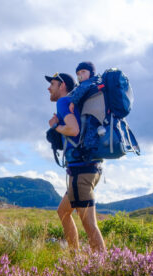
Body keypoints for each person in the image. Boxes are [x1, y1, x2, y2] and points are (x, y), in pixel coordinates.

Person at [46, 68, 106, 252]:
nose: (49, 88)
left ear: (62, 85)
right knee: (63, 212)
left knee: (89, 225)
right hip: (85, 168)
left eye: (52, 84)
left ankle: (104, 269)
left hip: (82, 171)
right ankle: (75, 257)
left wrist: (56, 126)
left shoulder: (64, 102)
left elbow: (73, 130)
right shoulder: (73, 104)